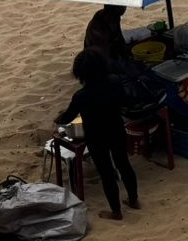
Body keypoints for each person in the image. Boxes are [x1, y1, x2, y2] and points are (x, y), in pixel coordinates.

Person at [53, 48, 139, 221]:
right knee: (124, 164)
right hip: (116, 129)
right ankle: (133, 200)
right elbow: (125, 100)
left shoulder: (81, 96)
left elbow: (67, 117)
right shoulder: (114, 81)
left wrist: (58, 118)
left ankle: (116, 212)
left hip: (96, 137)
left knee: (106, 173)